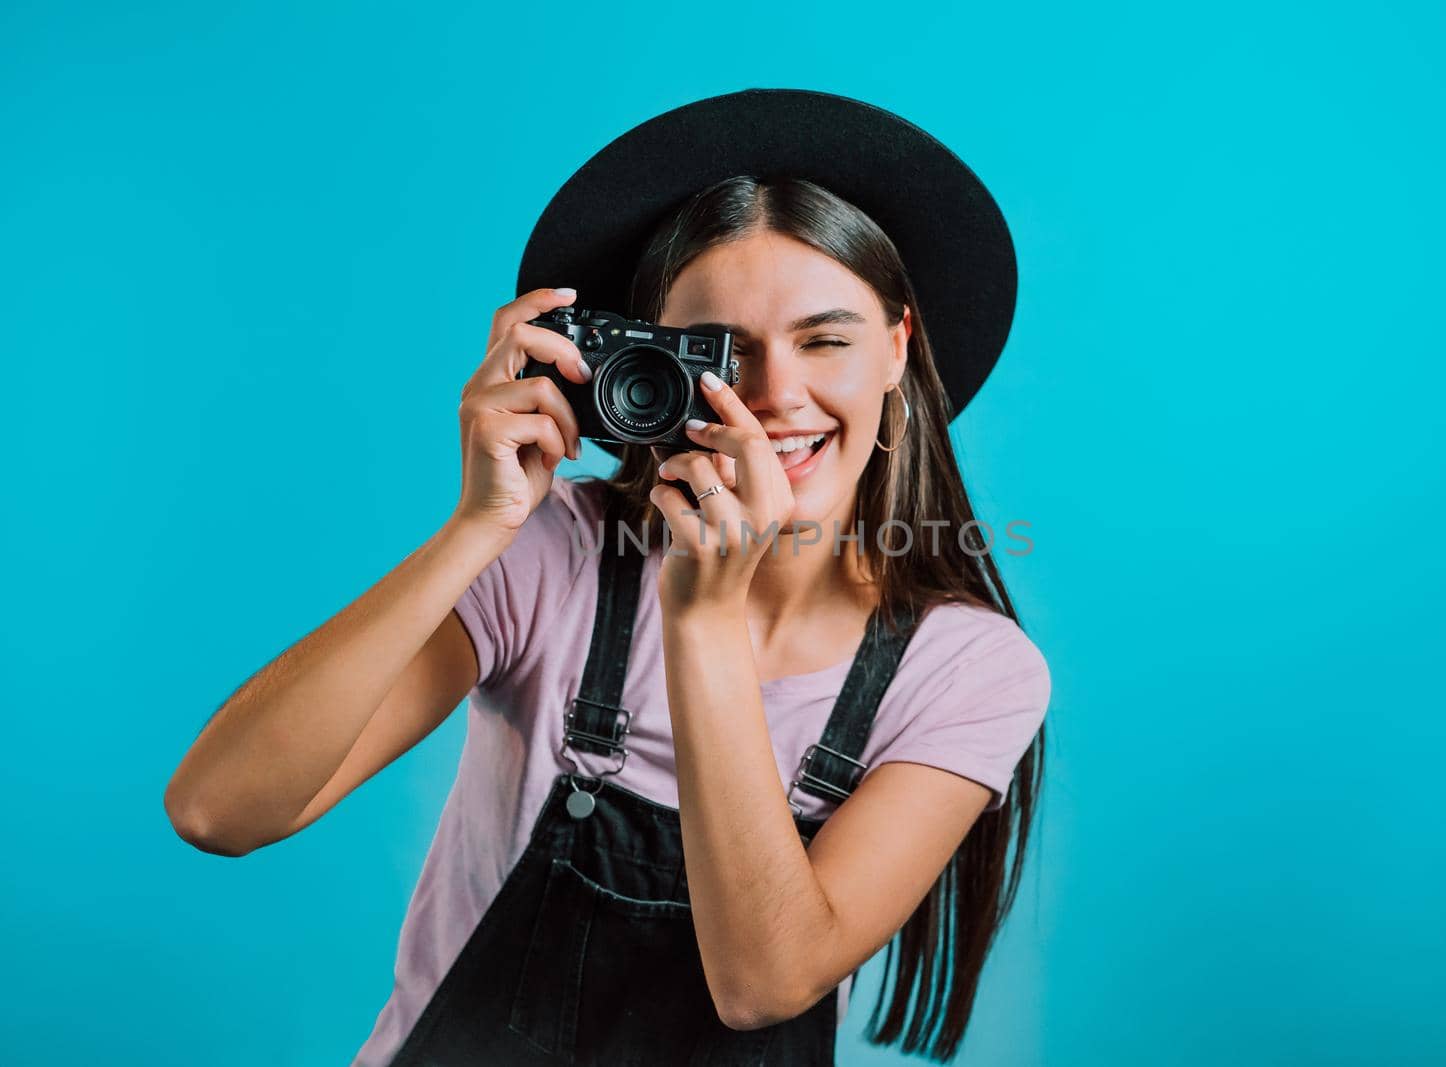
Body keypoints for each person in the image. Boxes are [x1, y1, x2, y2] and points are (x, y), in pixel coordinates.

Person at [164, 89, 1051, 1066]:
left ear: (898, 345)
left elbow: (762, 981)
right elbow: (220, 809)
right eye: (717, 355)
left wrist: (704, 619)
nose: (771, 397)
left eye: (825, 339)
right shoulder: (555, 554)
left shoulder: (970, 670)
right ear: (643, 364)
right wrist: (479, 525)